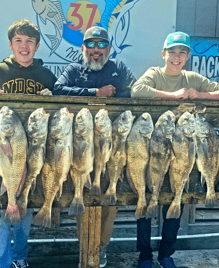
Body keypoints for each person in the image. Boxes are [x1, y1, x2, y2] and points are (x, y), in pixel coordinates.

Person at [0, 19, 57, 268]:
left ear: (37, 46)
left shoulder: (46, 75)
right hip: (2, 154)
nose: (24, 46)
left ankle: (20, 258)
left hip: (33, 154)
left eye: (29, 41)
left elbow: (61, 115)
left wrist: (53, 98)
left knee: (25, 211)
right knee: (0, 212)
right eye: (18, 41)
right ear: (10, 44)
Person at [131, 32, 219, 268]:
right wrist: (174, 95)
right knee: (147, 200)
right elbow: (137, 90)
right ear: (164, 54)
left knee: (175, 201)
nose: (176, 57)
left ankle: (166, 255)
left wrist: (201, 94)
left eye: (182, 52)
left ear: (188, 56)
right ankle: (144, 255)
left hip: (183, 152)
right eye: (172, 52)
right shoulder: (155, 73)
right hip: (154, 151)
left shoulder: (193, 77)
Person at [54, 25, 136, 268]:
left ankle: (100, 249)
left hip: (113, 143)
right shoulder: (73, 69)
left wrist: (114, 98)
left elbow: (134, 92)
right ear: (83, 48)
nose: (96, 50)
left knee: (110, 198)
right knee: (82, 196)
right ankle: (87, 247)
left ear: (109, 48)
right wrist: (94, 93)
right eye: (91, 44)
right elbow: (58, 89)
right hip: (80, 144)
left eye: (101, 45)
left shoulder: (118, 68)